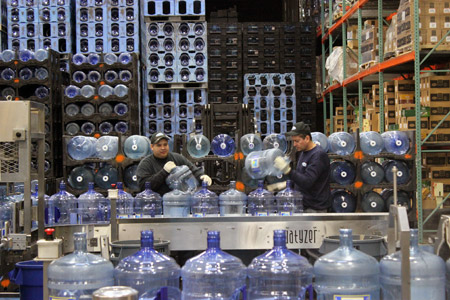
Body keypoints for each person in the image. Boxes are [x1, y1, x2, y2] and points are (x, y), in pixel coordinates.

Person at [270, 122, 331, 213]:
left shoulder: (318, 155)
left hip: (315, 209)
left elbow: (307, 181)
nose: (294, 144)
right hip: (304, 205)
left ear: (307, 138)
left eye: (297, 141)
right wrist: (284, 185)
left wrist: (288, 170)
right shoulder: (303, 152)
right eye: (293, 141)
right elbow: (300, 176)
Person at [136, 132, 212, 196]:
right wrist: (164, 172)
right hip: (157, 204)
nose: (163, 148)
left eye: (165, 144)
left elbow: (193, 169)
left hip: (180, 201)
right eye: (159, 145)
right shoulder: (146, 163)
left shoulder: (177, 158)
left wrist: (202, 175)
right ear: (152, 147)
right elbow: (143, 186)